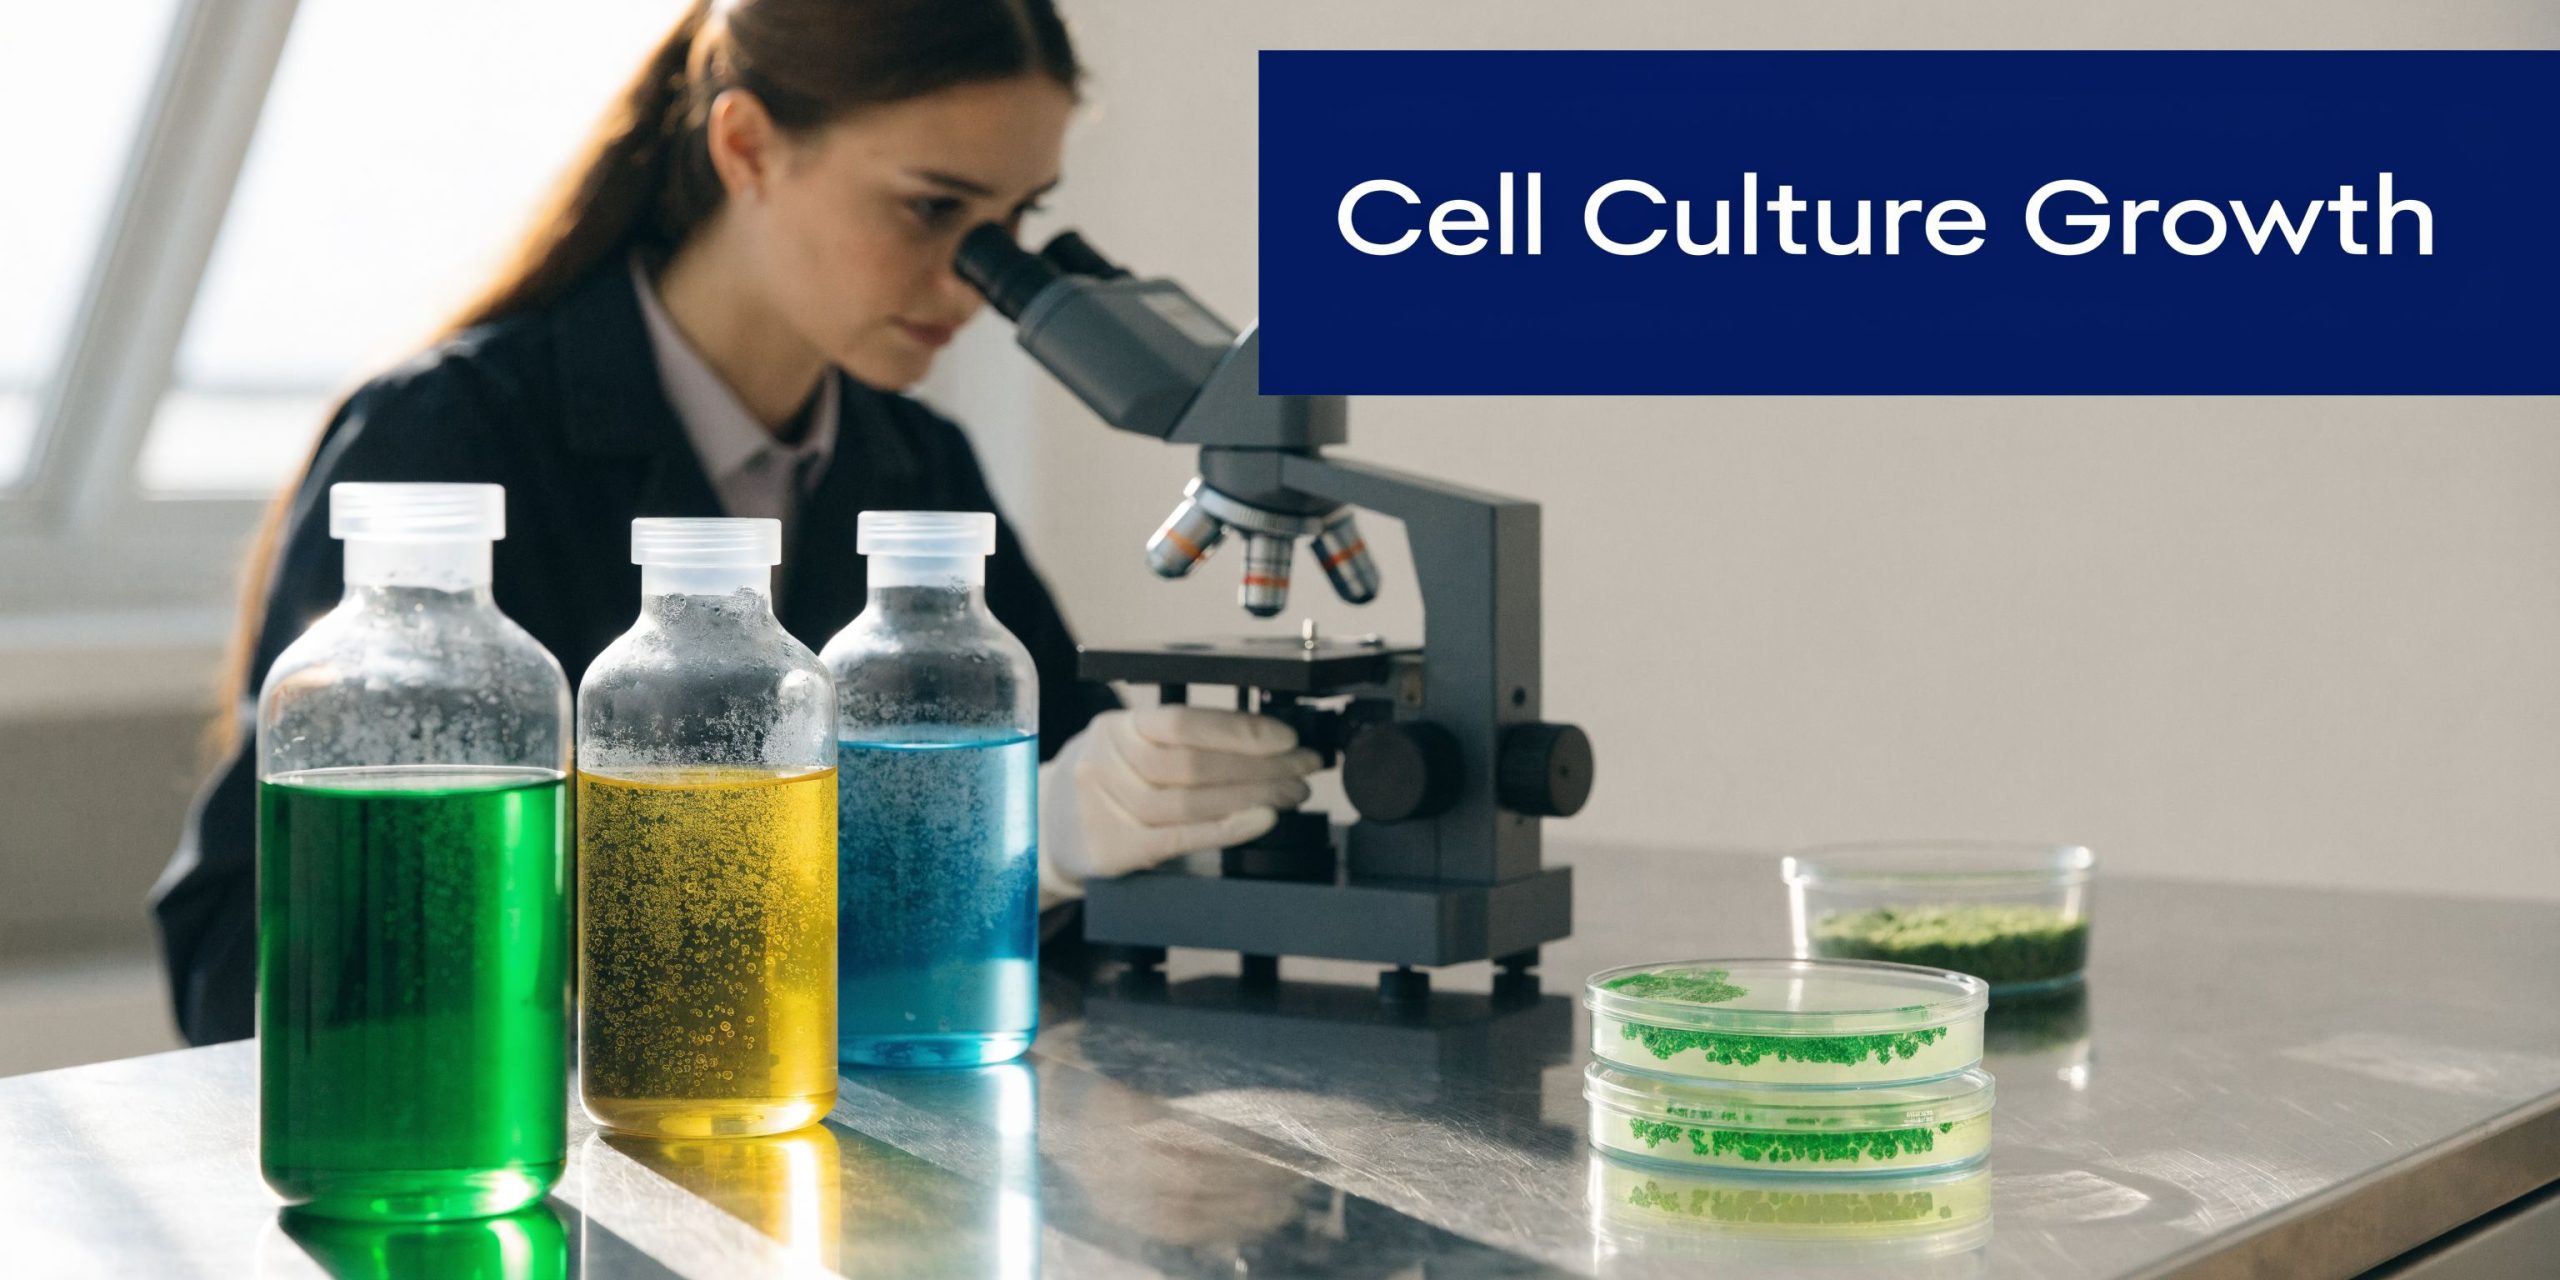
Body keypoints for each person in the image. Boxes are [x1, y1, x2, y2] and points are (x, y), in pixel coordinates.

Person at [151, 0, 1318, 1047]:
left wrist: (1122, 824)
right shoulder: (453, 439)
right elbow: (236, 964)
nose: (974, 285)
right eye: (932, 209)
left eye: (1013, 224)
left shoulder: (914, 465)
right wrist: (995, 847)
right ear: (748, 146)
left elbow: (1068, 922)